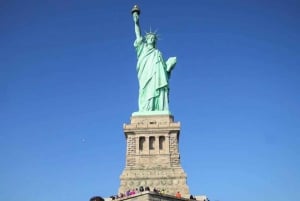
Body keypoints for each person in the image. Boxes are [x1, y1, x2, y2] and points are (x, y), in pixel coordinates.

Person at [132, 10, 177, 112]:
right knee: (145, 91)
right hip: (145, 75)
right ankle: (146, 110)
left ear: (155, 41)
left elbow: (164, 71)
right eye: (149, 38)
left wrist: (169, 66)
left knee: (158, 89)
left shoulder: (158, 53)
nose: (151, 39)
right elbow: (138, 35)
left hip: (157, 78)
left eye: (153, 38)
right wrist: (136, 22)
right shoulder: (142, 48)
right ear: (146, 40)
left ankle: (158, 108)